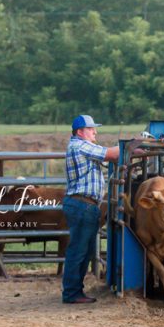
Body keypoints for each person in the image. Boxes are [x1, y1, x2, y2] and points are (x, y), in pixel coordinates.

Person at [61, 114, 119, 304]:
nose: (95, 131)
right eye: (91, 129)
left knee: (82, 250)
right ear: (80, 132)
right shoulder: (80, 146)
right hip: (83, 204)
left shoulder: (80, 147)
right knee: (79, 250)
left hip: (83, 204)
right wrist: (136, 144)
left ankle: (74, 291)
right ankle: (71, 293)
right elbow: (112, 154)